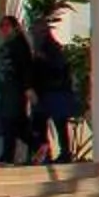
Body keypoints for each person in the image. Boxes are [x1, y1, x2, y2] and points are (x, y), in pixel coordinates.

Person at [0, 14, 36, 165]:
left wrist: (28, 87)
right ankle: (37, 144)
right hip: (6, 90)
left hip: (15, 89)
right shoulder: (7, 45)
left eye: (7, 25)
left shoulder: (19, 44)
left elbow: (26, 66)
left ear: (15, 27)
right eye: (2, 26)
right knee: (16, 123)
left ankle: (7, 156)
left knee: (10, 121)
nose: (4, 29)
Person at [28, 21, 81, 164]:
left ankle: (64, 153)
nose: (34, 35)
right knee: (40, 124)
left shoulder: (53, 50)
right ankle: (46, 153)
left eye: (37, 32)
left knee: (58, 124)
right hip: (44, 93)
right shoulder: (39, 50)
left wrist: (41, 59)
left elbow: (59, 70)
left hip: (55, 92)